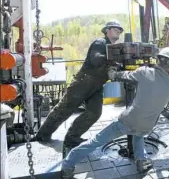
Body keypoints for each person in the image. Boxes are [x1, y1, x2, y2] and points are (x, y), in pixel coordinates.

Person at [61, 47, 169, 179]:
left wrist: (112, 72)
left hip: (127, 121)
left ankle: (67, 164)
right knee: (138, 133)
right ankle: (141, 161)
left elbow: (120, 76)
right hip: (147, 126)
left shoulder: (144, 72)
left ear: (158, 60)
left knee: (95, 141)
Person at [34, 20, 124, 150]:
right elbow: (95, 59)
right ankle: (42, 135)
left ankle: (72, 137)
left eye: (120, 30)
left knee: (94, 113)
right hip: (83, 82)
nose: (119, 31)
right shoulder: (101, 43)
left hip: (97, 86)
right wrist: (113, 59)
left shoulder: (113, 49)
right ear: (107, 30)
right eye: (116, 29)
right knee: (64, 110)